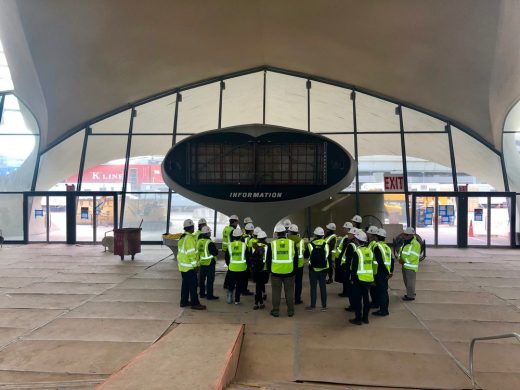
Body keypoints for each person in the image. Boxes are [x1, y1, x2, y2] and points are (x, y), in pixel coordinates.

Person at [266, 224, 298, 317]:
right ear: (285, 233)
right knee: (289, 292)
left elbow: (268, 260)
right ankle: (290, 311)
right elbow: (295, 259)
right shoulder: (292, 243)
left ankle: (276, 311)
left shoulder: (272, 244)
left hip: (275, 273)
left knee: (276, 292)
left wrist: (269, 271)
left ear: (277, 234)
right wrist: (294, 271)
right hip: (289, 272)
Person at [177, 219, 206, 310]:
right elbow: (191, 254)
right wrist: (195, 266)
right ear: (191, 228)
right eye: (193, 227)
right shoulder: (189, 239)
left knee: (185, 285)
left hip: (183, 267)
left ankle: (184, 301)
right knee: (193, 286)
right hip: (189, 267)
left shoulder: (183, 237)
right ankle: (195, 303)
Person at [349, 230, 374, 325]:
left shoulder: (357, 252)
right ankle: (365, 318)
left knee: (358, 300)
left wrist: (352, 279)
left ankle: (358, 319)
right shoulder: (369, 251)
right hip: (368, 279)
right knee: (366, 299)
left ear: (357, 240)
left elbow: (354, 268)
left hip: (359, 279)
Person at [305, 227, 329, 312]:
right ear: (322, 235)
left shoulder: (310, 244)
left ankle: (313, 306)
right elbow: (327, 256)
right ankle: (324, 306)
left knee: (313, 288)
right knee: (323, 287)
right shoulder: (326, 244)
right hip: (323, 270)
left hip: (313, 270)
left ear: (315, 234)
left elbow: (306, 256)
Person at [372, 228, 393, 316]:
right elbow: (391, 260)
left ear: (377, 237)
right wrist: (390, 271)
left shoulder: (377, 247)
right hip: (386, 272)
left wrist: (386, 272)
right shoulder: (387, 247)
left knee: (381, 292)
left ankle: (383, 310)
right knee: (384, 291)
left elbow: (380, 262)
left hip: (380, 272)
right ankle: (384, 309)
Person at [225, 227, 248, 305]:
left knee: (231, 283)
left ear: (233, 236)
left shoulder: (229, 246)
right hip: (242, 268)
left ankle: (229, 297)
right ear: (241, 236)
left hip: (232, 268)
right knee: (239, 285)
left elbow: (226, 258)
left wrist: (229, 264)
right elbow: (247, 257)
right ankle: (237, 300)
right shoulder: (244, 245)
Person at [196, 225, 219, 300]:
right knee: (210, 280)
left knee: (202, 280)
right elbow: (215, 253)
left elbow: (197, 253)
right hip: (210, 264)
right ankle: (209, 295)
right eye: (209, 232)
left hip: (202, 263)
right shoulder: (210, 243)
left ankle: (202, 294)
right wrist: (216, 250)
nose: (210, 233)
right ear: (207, 233)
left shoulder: (199, 241)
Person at [398, 227, 421, 301]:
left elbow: (413, 257)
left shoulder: (415, 244)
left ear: (411, 235)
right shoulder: (405, 242)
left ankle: (410, 296)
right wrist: (399, 258)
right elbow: (400, 251)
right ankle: (411, 292)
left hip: (410, 266)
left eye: (406, 235)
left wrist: (404, 261)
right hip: (404, 265)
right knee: (406, 281)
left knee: (410, 282)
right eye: (404, 234)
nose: (404, 236)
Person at [287, 224, 307, 305]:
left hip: (289, 265)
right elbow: (303, 252)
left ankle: (289, 299)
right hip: (299, 265)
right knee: (298, 283)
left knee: (289, 284)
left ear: (290, 232)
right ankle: (297, 299)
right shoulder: (301, 241)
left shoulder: (287, 240)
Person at [340, 226, 358, 311]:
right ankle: (355, 305)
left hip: (350, 270)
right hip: (354, 270)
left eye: (350, 234)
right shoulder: (357, 244)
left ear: (354, 235)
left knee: (351, 290)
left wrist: (345, 268)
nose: (348, 235)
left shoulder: (351, 245)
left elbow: (349, 260)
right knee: (355, 290)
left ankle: (353, 306)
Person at [251, 230, 269, 310]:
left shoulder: (254, 245)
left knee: (258, 285)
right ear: (265, 238)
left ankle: (258, 301)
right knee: (260, 285)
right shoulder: (268, 246)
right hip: (264, 269)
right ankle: (258, 302)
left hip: (255, 269)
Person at [335, 222, 353, 294]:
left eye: (344, 228)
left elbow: (342, 250)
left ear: (348, 229)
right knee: (345, 278)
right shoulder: (346, 238)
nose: (343, 229)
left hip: (344, 261)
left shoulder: (346, 239)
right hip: (344, 261)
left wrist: (337, 258)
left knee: (345, 278)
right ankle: (346, 291)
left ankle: (346, 292)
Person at [222, 215, 239, 290]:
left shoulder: (226, 228)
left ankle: (226, 284)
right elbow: (233, 241)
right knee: (231, 269)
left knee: (230, 268)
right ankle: (228, 284)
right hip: (230, 251)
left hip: (226, 250)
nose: (237, 223)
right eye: (237, 222)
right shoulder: (232, 230)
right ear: (234, 222)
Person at [366, 225, 380, 309]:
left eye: (368, 233)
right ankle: (374, 302)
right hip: (372, 269)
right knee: (372, 288)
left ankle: (375, 303)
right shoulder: (371, 243)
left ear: (372, 235)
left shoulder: (374, 244)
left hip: (374, 270)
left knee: (374, 288)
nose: (367, 234)